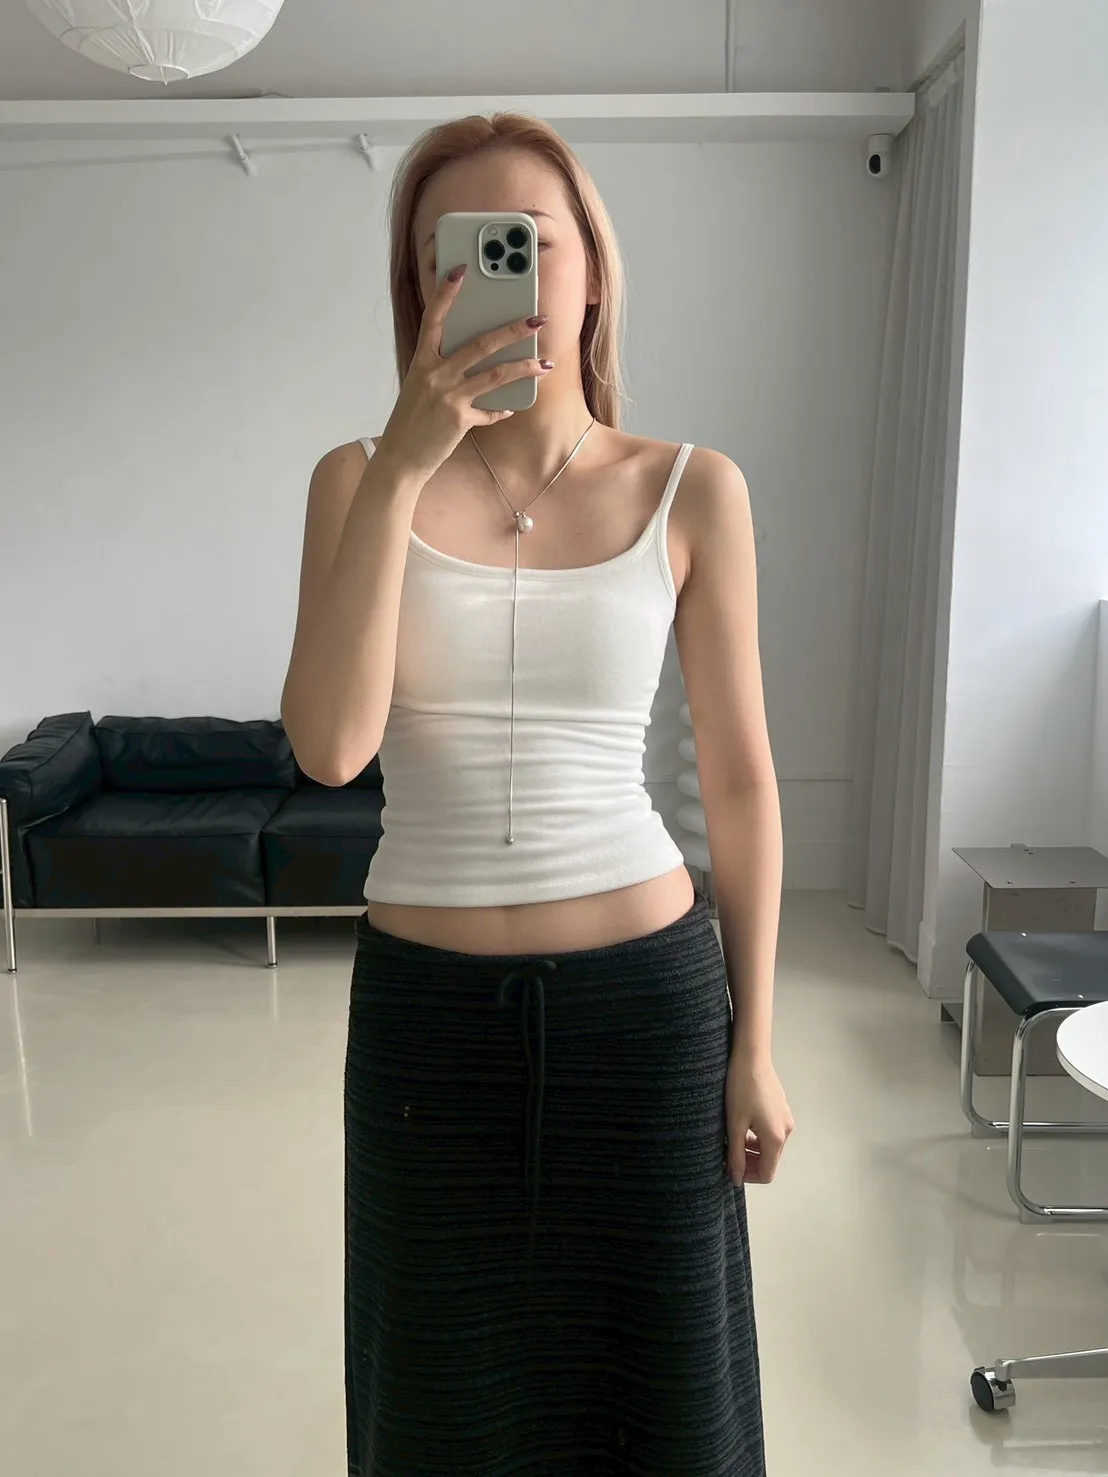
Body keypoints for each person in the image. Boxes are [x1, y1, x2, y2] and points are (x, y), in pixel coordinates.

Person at [280, 111, 794, 1477]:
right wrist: (404, 465)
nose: (487, 278)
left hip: (649, 1016)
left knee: (662, 1407)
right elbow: (330, 748)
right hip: (427, 1033)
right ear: (416, 292)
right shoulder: (355, 481)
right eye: (445, 257)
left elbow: (740, 782)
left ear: (592, 271)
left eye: (526, 241)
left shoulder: (691, 489)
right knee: (438, 1409)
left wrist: (755, 1039)